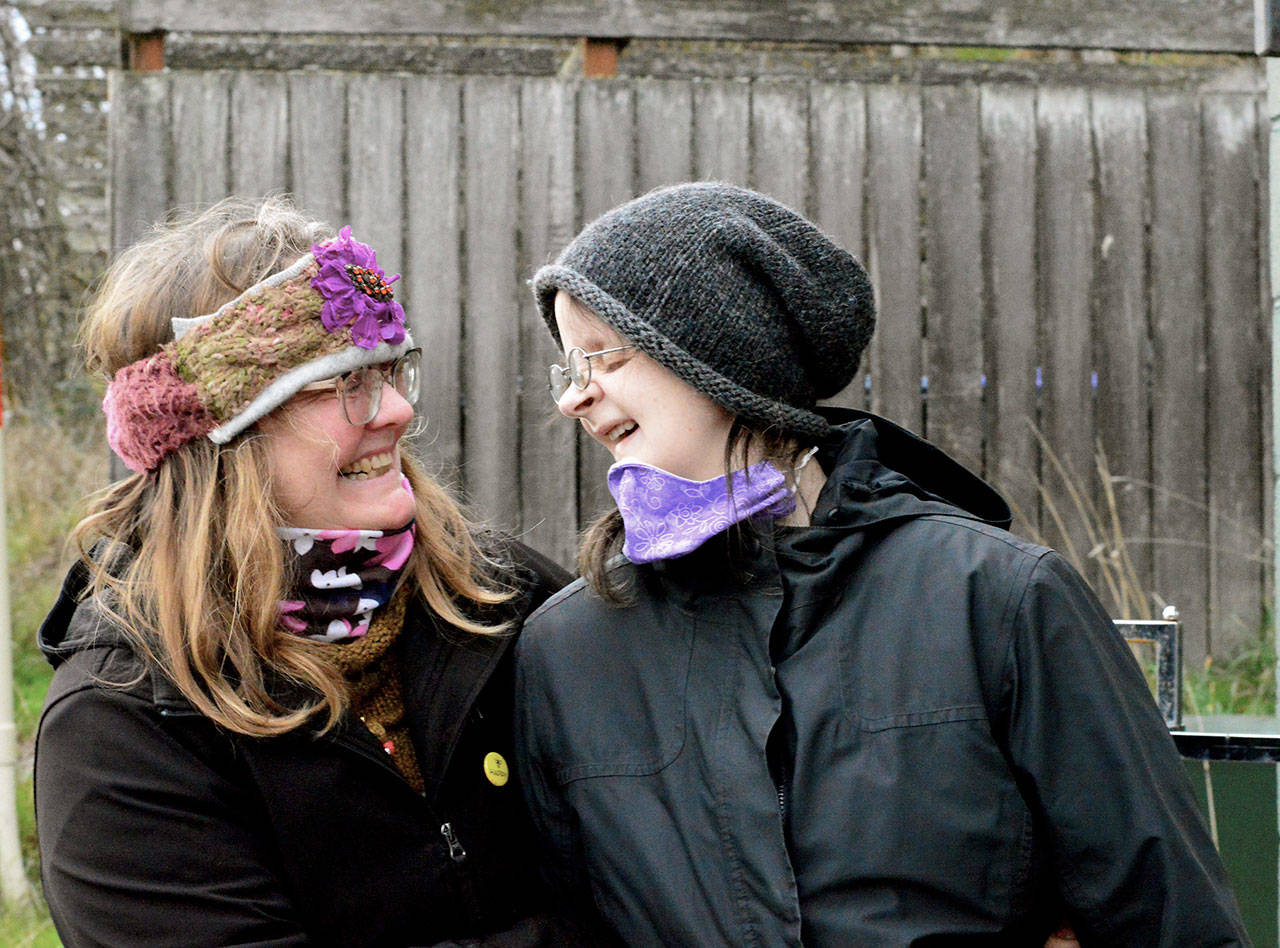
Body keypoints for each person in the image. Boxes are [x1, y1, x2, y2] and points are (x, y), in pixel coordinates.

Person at [513, 182, 1251, 946]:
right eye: (570, 367)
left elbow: (1170, 918)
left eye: (605, 355)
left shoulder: (994, 600)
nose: (577, 397)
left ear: (721, 353)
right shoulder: (570, 651)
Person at [34, 196, 602, 947]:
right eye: (345, 384)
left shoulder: (498, 594)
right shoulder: (126, 723)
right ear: (225, 442)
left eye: (393, 371)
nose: (396, 410)